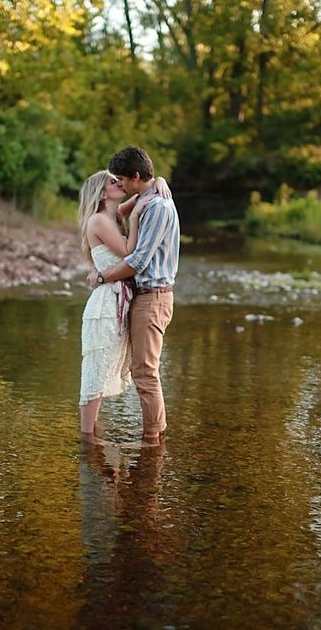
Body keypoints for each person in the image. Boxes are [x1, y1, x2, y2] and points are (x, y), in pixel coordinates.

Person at [88, 146, 180, 447]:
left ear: (136, 177)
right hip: (145, 297)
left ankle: (153, 441)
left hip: (153, 298)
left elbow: (137, 261)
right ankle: (155, 438)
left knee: (145, 372)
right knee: (142, 369)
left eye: (122, 180)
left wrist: (101, 277)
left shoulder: (155, 208)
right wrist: (157, 181)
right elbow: (123, 211)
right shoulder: (146, 198)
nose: (120, 186)